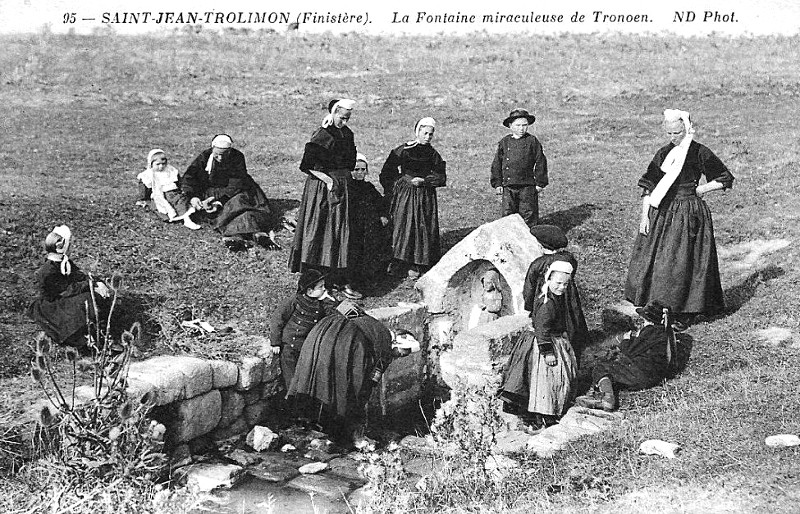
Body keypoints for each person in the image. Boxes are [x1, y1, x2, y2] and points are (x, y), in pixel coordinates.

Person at [624, 109, 735, 331]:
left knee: (683, 262)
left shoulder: (698, 152)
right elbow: (650, 185)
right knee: (660, 260)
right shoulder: (664, 152)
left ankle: (684, 310)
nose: (673, 137)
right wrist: (644, 215)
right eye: (669, 133)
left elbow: (725, 177)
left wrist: (702, 189)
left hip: (688, 213)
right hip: (663, 212)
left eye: (676, 132)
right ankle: (657, 305)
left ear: (686, 128)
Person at [287, 302, 419, 445]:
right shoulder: (384, 344)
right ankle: (333, 429)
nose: (398, 356)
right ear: (397, 341)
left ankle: (311, 422)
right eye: (400, 353)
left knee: (318, 375)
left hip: (323, 332)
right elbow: (366, 384)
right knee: (341, 384)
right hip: (343, 341)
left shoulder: (375, 329)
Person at [289, 99, 363, 300]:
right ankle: (318, 282)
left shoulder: (347, 134)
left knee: (341, 233)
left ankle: (339, 279)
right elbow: (307, 165)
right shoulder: (322, 135)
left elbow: (349, 161)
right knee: (321, 234)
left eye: (347, 118)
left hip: (343, 187)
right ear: (333, 113)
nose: (344, 122)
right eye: (341, 117)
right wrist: (328, 180)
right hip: (322, 189)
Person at [499, 260, 578, 428]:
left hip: (554, 339)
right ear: (548, 280)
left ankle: (549, 412)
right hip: (545, 345)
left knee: (553, 381)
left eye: (565, 284)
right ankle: (544, 416)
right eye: (558, 283)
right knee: (546, 381)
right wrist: (548, 352)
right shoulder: (547, 304)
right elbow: (542, 329)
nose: (561, 287)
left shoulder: (556, 298)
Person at [575, 301, 677, 411]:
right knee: (613, 367)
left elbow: (628, 352)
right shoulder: (663, 332)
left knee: (601, 367)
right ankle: (602, 390)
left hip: (644, 375)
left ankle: (607, 399)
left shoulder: (650, 331)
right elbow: (641, 347)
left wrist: (627, 339)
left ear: (649, 320)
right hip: (654, 374)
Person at [183, 134, 280, 251]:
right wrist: (193, 197)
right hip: (212, 192)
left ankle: (250, 235)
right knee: (224, 209)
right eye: (217, 154)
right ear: (212, 149)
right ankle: (245, 235)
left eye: (223, 155)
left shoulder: (237, 157)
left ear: (229, 151)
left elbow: (237, 183)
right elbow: (189, 178)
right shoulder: (204, 157)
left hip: (236, 190)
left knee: (240, 204)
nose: (220, 158)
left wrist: (220, 201)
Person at [380, 117, 447, 279]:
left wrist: (425, 181)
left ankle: (417, 263)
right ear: (418, 132)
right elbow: (387, 171)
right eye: (425, 133)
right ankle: (399, 261)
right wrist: (399, 183)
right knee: (403, 225)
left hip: (424, 195)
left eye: (430, 134)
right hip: (405, 195)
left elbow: (441, 176)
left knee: (421, 226)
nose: (427, 137)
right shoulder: (404, 150)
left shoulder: (433, 154)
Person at [26, 226, 111, 347]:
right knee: (86, 300)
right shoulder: (47, 271)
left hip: (66, 296)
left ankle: (99, 331)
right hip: (53, 304)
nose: (72, 247)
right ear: (62, 247)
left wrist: (97, 283)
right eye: (70, 244)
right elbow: (66, 290)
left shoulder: (65, 263)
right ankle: (86, 338)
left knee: (93, 296)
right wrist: (90, 285)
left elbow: (80, 277)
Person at [523, 224, 589, 364]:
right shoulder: (569, 259)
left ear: (541, 246)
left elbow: (529, 288)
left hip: (549, 299)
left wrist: (530, 307)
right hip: (567, 301)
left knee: (547, 323)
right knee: (570, 324)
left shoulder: (538, 264)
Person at [269, 269, 333, 391]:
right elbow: (278, 318)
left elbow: (331, 313)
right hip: (289, 348)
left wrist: (329, 300)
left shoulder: (320, 305)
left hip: (305, 349)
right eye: (321, 287)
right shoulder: (295, 301)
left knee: (306, 381)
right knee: (292, 382)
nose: (324, 289)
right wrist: (275, 342)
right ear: (309, 291)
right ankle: (292, 402)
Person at [490, 108, 548, 229]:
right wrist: (498, 183)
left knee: (528, 214)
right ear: (511, 126)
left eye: (524, 125)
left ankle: (530, 240)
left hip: (527, 186)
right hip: (509, 186)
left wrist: (540, 182)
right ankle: (510, 240)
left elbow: (541, 161)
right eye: (518, 125)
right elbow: (497, 164)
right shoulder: (504, 142)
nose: (521, 129)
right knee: (508, 214)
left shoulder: (532, 141)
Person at [348, 153, 391, 288]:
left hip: (371, 226)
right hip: (355, 227)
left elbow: (380, 203)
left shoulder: (368, 187)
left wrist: (383, 215)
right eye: (356, 169)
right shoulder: (348, 187)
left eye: (363, 169)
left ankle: (373, 276)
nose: (360, 173)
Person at [135, 149, 201, 230]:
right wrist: (143, 198)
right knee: (162, 207)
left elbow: (178, 181)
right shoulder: (148, 174)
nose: (161, 166)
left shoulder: (170, 170)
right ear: (151, 164)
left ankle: (187, 219)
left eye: (163, 164)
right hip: (159, 194)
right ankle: (178, 217)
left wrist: (181, 189)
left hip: (173, 192)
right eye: (157, 164)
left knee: (181, 202)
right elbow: (144, 188)